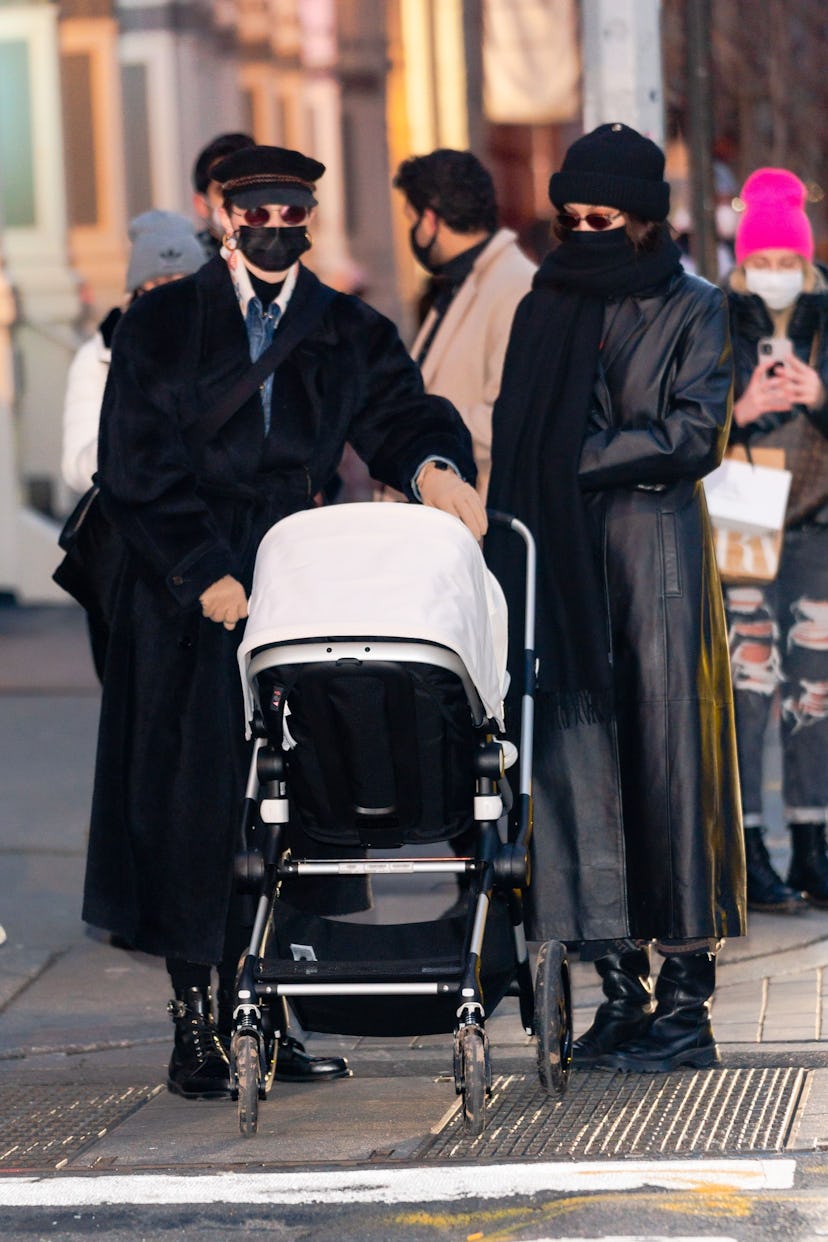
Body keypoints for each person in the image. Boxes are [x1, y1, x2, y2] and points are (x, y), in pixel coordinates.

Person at [81, 144, 487, 1100]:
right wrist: (203, 573)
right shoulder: (165, 321)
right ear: (227, 218)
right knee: (194, 807)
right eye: (254, 215)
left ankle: (273, 1003)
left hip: (295, 577)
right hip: (183, 593)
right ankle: (197, 1023)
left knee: (292, 801)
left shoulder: (342, 326)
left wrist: (434, 468)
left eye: (291, 216)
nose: (272, 232)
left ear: (310, 219)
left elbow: (402, 409)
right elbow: (132, 463)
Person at [485, 123, 746, 1073]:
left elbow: (691, 434)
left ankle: (685, 1002)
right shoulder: (542, 305)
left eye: (605, 218)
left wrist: (571, 461)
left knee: (671, 772)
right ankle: (619, 994)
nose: (585, 232)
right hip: (562, 569)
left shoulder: (697, 307)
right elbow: (513, 432)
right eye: (571, 218)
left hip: (656, 568)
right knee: (576, 769)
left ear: (644, 221)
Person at [723, 167, 828, 913]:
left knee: (814, 691)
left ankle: (815, 841)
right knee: (750, 686)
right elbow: (691, 414)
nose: (777, 275)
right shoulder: (714, 315)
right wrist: (741, 407)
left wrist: (820, 397)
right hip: (744, 511)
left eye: (788, 262)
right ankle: (751, 846)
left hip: (817, 516)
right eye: (764, 262)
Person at [60, 211, 206, 679]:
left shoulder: (224, 351)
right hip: (128, 552)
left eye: (182, 282)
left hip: (206, 542)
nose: (167, 299)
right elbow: (75, 465)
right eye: (155, 284)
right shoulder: (100, 355)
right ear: (133, 292)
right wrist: (133, 441)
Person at [391, 149, 536, 499]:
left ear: (430, 220)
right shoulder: (462, 281)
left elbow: (512, 420)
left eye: (411, 219)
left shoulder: (516, 286)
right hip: (443, 514)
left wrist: (417, 426)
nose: (413, 232)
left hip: (476, 515)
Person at [191, 132, 255, 259]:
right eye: (224, 191)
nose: (238, 202)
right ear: (201, 205)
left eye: (248, 188)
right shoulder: (188, 267)